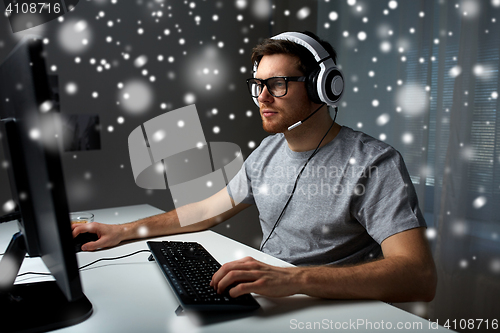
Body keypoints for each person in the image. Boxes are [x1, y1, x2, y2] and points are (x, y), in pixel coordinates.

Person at [73, 31, 437, 303]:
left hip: (326, 313)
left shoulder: (374, 162)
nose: (262, 97)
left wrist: (295, 280)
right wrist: (123, 231)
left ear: (322, 87)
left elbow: (419, 276)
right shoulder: (267, 151)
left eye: (277, 84)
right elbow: (206, 210)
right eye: (258, 84)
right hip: (268, 299)